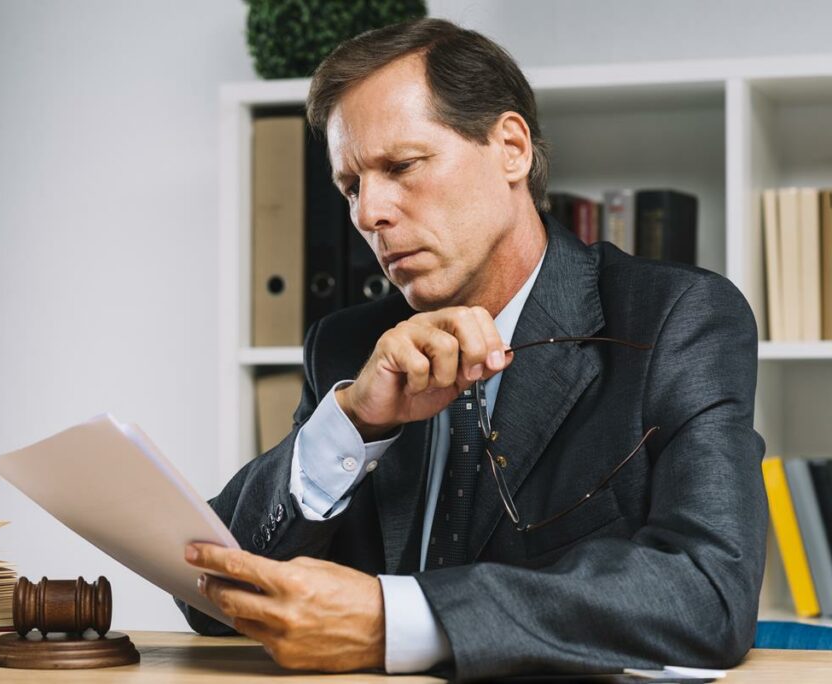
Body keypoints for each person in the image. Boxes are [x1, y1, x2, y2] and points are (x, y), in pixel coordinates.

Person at [176, 18, 767, 681]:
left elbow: (708, 593)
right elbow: (205, 592)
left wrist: (392, 622)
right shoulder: (346, 345)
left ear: (510, 147)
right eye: (351, 185)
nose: (369, 212)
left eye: (401, 166)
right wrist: (351, 423)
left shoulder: (675, 318)